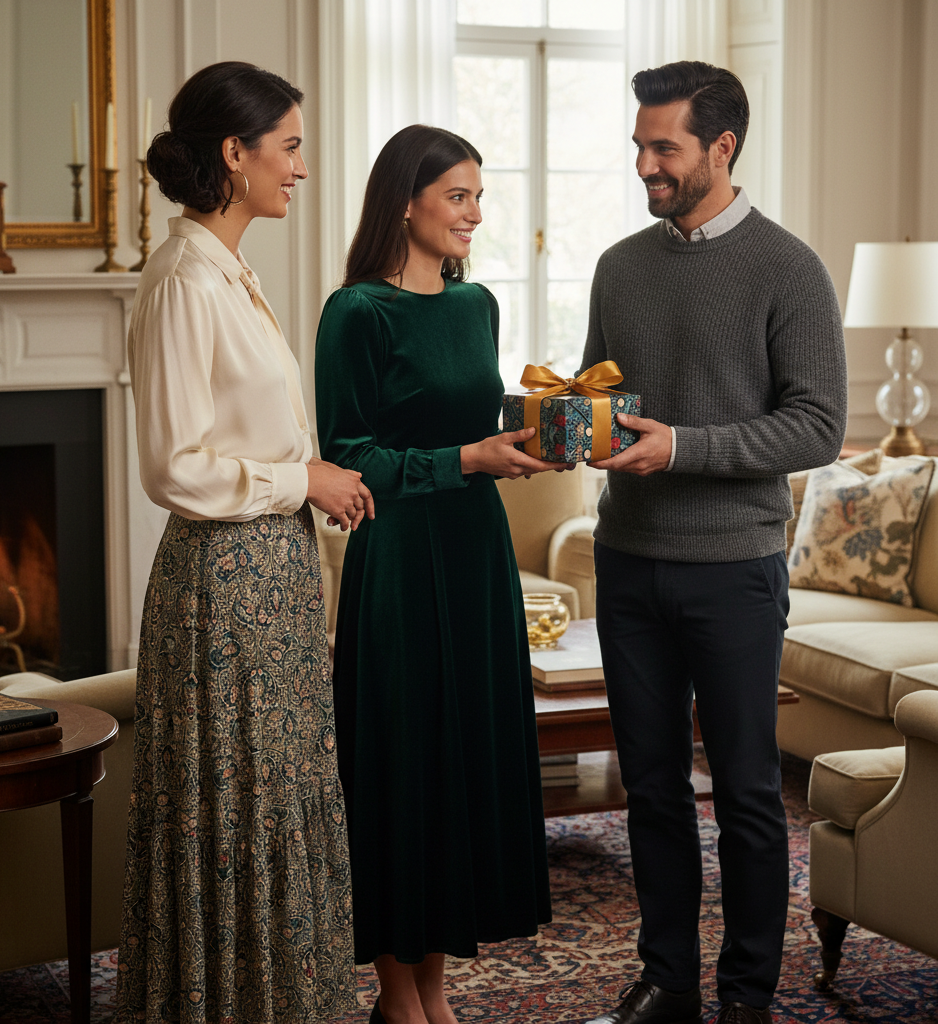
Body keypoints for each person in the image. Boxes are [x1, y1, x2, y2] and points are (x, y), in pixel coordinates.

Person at [579, 62, 847, 1024]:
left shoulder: (789, 268)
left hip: (734, 569)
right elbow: (600, 392)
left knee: (744, 792)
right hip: (628, 562)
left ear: (721, 148)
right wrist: (570, 426)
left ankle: (746, 997)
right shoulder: (620, 266)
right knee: (649, 789)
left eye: (665, 148)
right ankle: (668, 984)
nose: (645, 164)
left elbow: (817, 427)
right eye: (640, 145)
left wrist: (683, 448)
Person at [116, 61, 369, 1024]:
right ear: (236, 153)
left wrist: (317, 483)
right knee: (238, 808)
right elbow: (173, 465)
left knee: (279, 802)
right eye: (290, 145)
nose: (301, 166)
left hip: (275, 572)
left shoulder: (228, 269)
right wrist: (299, 480)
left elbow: (254, 436)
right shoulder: (184, 277)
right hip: (224, 584)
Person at [314, 124, 557, 1024]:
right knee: (402, 768)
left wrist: (539, 436)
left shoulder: (477, 302)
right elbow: (348, 459)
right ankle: (395, 995)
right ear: (406, 201)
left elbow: (473, 417)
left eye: (479, 197)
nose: (475, 214)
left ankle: (435, 992)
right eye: (459, 196)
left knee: (462, 762)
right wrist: (466, 460)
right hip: (400, 563)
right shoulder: (356, 313)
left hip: (474, 552)